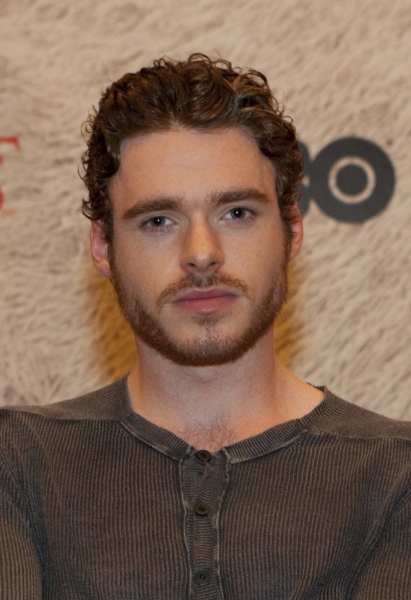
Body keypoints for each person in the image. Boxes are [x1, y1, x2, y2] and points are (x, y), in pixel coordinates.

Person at [1, 54, 411, 600]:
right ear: (103, 247)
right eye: (158, 220)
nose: (201, 253)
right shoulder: (18, 462)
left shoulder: (396, 476)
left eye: (236, 213)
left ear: (292, 231)